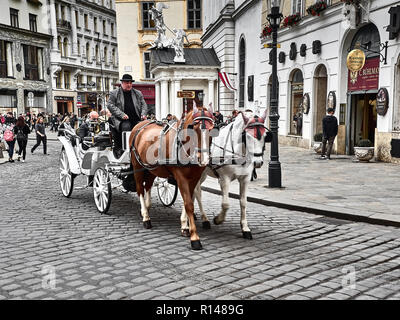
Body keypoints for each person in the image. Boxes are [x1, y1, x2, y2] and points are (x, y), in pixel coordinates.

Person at [107, 74, 148, 158]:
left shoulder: (137, 93)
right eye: (126, 83)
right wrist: (121, 114)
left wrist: (143, 114)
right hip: (121, 120)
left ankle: (142, 148)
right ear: (122, 83)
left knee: (145, 127)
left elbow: (144, 105)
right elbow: (110, 105)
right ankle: (126, 149)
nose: (129, 84)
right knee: (127, 126)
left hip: (136, 118)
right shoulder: (114, 93)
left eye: (130, 83)